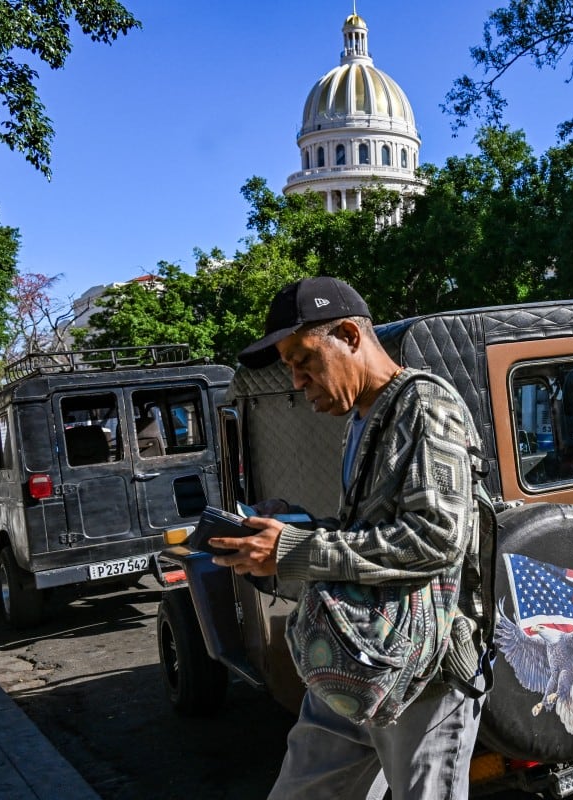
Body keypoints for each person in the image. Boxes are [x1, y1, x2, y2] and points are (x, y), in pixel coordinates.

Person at [212, 277, 485, 800]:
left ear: (349, 335)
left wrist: (292, 551)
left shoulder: (425, 406)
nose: (296, 380)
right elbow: (370, 536)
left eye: (304, 359)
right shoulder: (362, 418)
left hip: (423, 676)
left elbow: (435, 539)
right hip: (352, 658)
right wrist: (292, 527)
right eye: (289, 366)